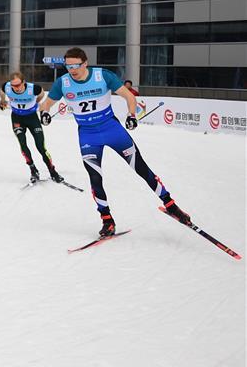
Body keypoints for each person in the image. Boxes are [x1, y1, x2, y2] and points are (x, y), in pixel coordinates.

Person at [38, 47, 191, 237]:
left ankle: (171, 205)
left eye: (76, 65)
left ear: (85, 63)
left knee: (141, 168)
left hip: (112, 130)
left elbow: (129, 96)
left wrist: (131, 115)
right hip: (88, 135)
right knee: (95, 178)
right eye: (68, 66)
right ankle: (107, 220)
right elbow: (46, 104)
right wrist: (44, 113)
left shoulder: (102, 76)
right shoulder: (63, 82)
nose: (72, 70)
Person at [0, 71, 64, 184]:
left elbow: (42, 93)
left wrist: (36, 102)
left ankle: (52, 171)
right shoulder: (7, 87)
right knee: (23, 144)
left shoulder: (33, 89)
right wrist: (2, 100)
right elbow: (1, 90)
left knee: (40, 147)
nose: (16, 88)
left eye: (18, 85)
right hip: (17, 118)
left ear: (24, 82)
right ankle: (33, 170)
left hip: (32, 118)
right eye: (13, 85)